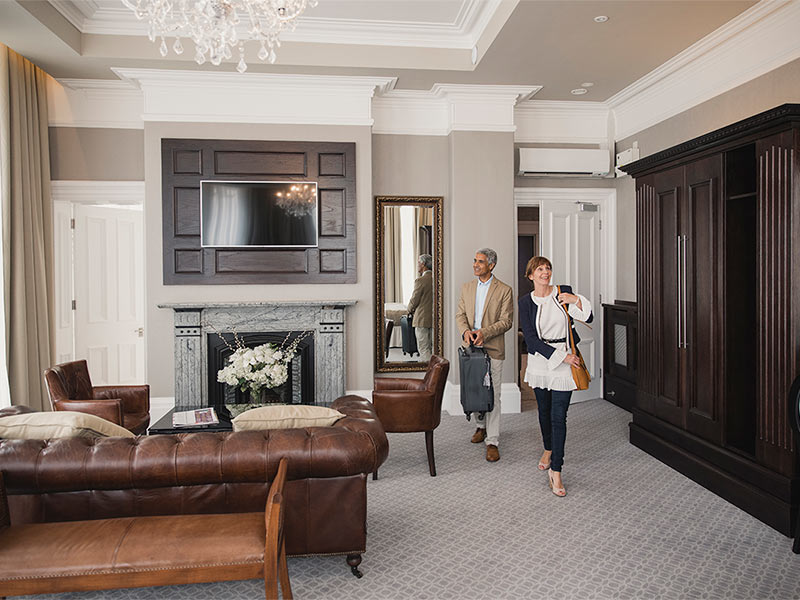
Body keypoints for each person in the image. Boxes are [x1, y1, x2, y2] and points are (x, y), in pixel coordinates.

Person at [519, 256, 593, 496]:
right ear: (531, 275)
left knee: (559, 417)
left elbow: (588, 317)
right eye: (540, 269)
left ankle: (557, 471)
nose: (545, 272)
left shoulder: (563, 293)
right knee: (544, 411)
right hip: (542, 362)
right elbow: (530, 339)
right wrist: (561, 357)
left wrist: (576, 300)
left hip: (565, 360)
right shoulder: (525, 302)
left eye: (548, 268)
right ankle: (548, 448)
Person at [455, 248, 514, 462]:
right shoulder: (467, 287)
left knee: (493, 395)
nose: (475, 265)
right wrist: (465, 331)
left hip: (493, 348)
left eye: (480, 262)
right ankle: (480, 427)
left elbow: (506, 321)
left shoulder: (505, 290)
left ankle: (493, 440)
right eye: (475, 261)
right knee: (475, 390)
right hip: (471, 347)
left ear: (491, 265)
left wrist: (484, 333)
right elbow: (460, 314)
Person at [406, 254, 433, 361]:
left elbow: (414, 300)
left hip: (422, 319)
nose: (417, 265)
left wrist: (408, 310)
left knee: (424, 348)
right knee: (433, 348)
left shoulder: (421, 280)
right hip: (435, 319)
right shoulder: (437, 279)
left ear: (423, 264)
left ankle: (427, 372)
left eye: (418, 263)